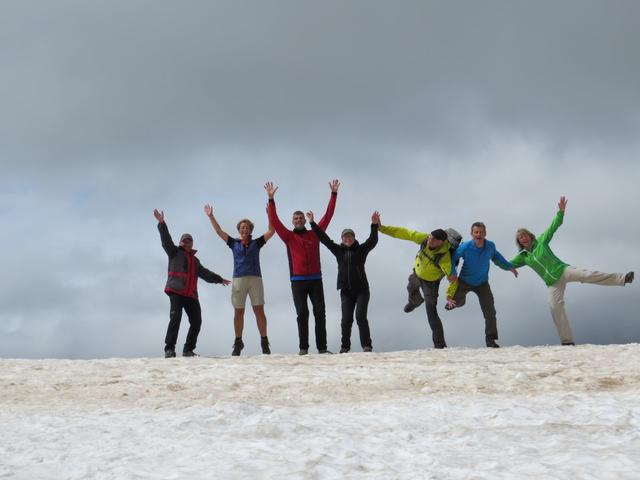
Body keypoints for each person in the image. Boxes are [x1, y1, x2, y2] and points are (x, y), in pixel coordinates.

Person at [510, 196, 634, 345]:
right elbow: (506, 263)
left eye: (524, 236)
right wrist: (489, 256)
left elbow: (553, 226)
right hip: (552, 283)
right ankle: (567, 341)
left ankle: (623, 279)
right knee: (555, 307)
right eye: (520, 238)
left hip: (563, 270)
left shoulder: (541, 241)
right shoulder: (523, 257)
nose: (523, 238)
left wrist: (560, 212)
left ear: (530, 236)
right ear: (519, 242)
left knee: (587, 275)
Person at [265, 180, 340, 355]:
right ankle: (303, 349)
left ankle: (322, 348)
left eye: (301, 218)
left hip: (315, 279)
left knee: (320, 313)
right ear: (292, 221)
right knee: (302, 314)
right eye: (296, 218)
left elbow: (328, 215)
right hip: (298, 281)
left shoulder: (314, 233)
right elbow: (275, 221)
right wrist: (271, 199)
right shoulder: (288, 236)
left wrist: (333, 195)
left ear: (304, 221)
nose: (298, 220)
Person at [153, 209, 230, 358]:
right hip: (176, 291)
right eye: (185, 240)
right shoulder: (174, 252)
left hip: (191, 295)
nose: (188, 242)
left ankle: (188, 349)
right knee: (176, 319)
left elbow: (205, 273)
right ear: (181, 242)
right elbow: (166, 240)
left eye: (190, 240)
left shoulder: (195, 261)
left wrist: (219, 279)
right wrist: (162, 223)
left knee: (196, 321)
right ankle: (169, 349)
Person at [204, 203, 275, 356]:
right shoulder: (233, 243)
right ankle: (238, 342)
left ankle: (264, 341)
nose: (244, 230)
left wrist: (270, 215)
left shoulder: (257, 243)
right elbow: (218, 231)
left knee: (259, 310)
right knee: (238, 312)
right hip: (238, 279)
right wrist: (211, 216)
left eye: (247, 228)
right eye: (242, 228)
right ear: (239, 230)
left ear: (250, 230)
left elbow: (271, 231)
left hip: (255, 279)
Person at [308, 210, 380, 353]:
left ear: (354, 238)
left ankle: (367, 346)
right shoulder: (338, 251)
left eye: (350, 236)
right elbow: (324, 239)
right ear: (342, 239)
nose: (347, 238)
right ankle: (345, 347)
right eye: (345, 236)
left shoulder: (361, 250)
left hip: (362, 290)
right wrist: (312, 223)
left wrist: (374, 225)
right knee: (346, 320)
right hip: (346, 291)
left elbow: (373, 241)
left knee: (360, 317)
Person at [378, 222, 456, 349]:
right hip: (417, 274)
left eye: (434, 239)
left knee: (431, 311)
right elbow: (404, 233)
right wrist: (381, 228)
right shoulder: (424, 239)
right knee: (411, 287)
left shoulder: (444, 257)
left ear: (441, 242)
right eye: (430, 236)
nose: (431, 240)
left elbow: (452, 279)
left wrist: (449, 295)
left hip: (431, 283)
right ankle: (415, 302)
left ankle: (440, 345)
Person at [445, 222, 518, 348]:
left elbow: (497, 257)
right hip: (464, 281)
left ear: (485, 233)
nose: (478, 234)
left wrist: (509, 267)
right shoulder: (466, 246)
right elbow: (453, 258)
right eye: (476, 232)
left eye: (481, 232)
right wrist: (452, 272)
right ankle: (456, 303)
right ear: (472, 234)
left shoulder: (490, 246)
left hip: (482, 283)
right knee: (457, 302)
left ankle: (490, 339)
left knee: (490, 311)